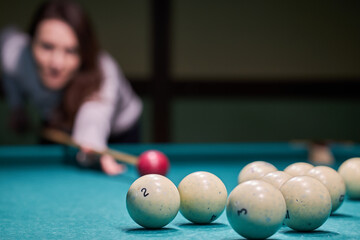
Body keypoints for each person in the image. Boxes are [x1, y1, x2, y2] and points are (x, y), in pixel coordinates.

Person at [0, 0, 142, 175]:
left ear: (83, 53)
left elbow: (94, 116)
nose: (56, 64)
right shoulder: (15, 55)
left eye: (71, 51)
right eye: (47, 46)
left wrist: (93, 146)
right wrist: (17, 107)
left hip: (119, 132)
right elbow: (6, 42)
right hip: (57, 121)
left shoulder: (104, 72)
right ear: (30, 42)